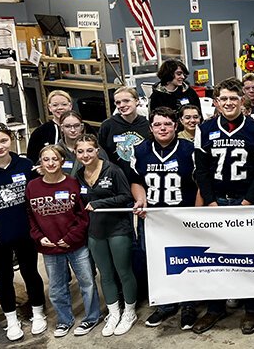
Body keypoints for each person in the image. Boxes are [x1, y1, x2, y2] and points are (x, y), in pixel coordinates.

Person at [194, 78, 254, 334]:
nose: (228, 103)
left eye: (233, 98)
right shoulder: (204, 130)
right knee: (214, 258)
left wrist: (248, 201)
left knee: (249, 256)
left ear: (242, 101)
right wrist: (211, 201)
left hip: (246, 202)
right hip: (217, 202)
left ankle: (252, 309)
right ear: (216, 102)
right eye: (223, 99)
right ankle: (215, 309)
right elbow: (201, 172)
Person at [0, 123, 47, 341]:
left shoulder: (25, 165)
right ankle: (11, 319)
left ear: (11, 139)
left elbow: (36, 198)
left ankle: (38, 312)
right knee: (3, 278)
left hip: (25, 234)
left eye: (3, 140)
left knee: (31, 273)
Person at [131, 108, 201, 331]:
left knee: (186, 260)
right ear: (150, 128)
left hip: (182, 216)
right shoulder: (140, 150)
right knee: (157, 261)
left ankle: (189, 304)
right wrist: (141, 199)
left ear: (176, 126)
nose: (163, 128)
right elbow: (135, 181)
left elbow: (200, 182)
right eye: (158, 124)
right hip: (153, 218)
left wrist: (196, 213)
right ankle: (165, 303)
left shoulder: (189, 149)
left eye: (167, 124)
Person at [26, 145, 100, 337]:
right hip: (50, 248)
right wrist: (39, 238)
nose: (50, 163)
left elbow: (82, 217)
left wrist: (70, 238)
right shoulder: (32, 187)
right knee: (57, 288)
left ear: (62, 161)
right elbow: (31, 217)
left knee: (87, 282)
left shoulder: (73, 184)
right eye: (46, 159)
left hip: (75, 245)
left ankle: (92, 317)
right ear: (40, 163)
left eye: (54, 159)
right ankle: (64, 320)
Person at [74, 134, 138, 337]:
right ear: (76, 154)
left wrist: (99, 204)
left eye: (89, 150)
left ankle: (129, 312)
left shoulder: (112, 170)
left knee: (124, 272)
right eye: (80, 151)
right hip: (95, 232)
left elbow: (126, 197)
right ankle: (113, 313)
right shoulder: (78, 175)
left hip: (118, 229)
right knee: (106, 275)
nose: (85, 155)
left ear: (97, 150)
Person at [27, 90, 93, 164]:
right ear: (49, 107)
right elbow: (32, 160)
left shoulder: (86, 128)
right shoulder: (40, 133)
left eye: (64, 104)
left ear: (70, 106)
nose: (60, 108)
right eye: (55, 105)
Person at [98, 87, 151, 172]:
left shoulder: (148, 125)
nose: (122, 105)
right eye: (118, 103)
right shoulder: (107, 125)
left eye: (126, 101)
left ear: (137, 101)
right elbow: (101, 153)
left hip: (143, 174)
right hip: (117, 175)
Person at [56, 111, 108, 176]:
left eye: (76, 126)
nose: (73, 130)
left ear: (82, 127)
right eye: (67, 126)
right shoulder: (55, 151)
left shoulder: (95, 148)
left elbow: (106, 172)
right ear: (61, 128)